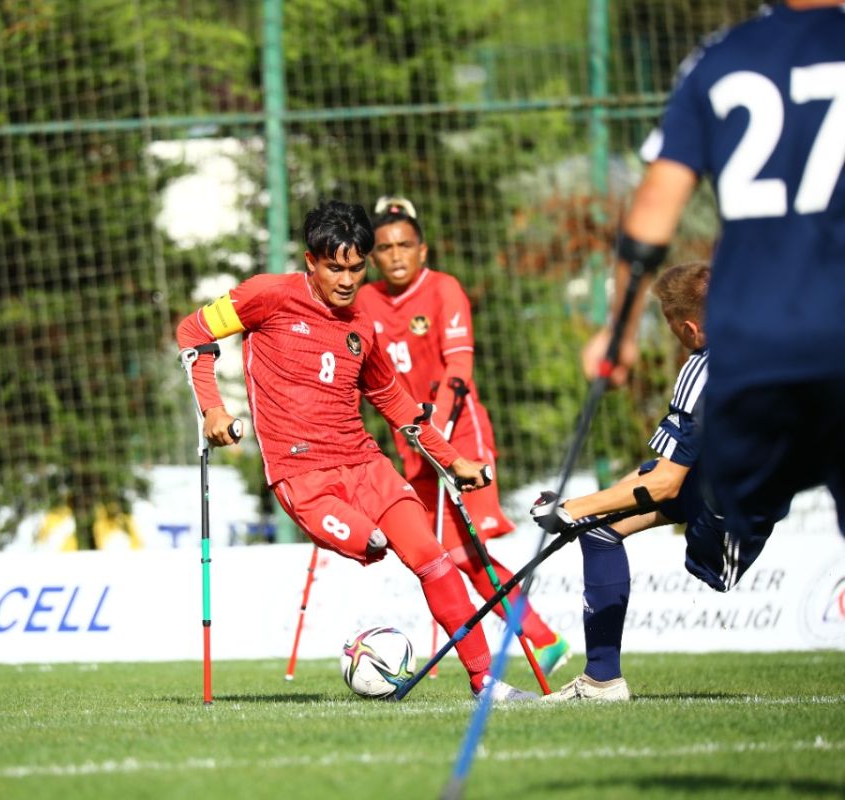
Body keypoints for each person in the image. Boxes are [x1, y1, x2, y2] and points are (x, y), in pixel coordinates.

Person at [176, 199, 535, 701]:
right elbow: (193, 331)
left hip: (366, 463)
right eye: (334, 267)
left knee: (434, 558)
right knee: (374, 543)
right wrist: (212, 409)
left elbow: (396, 402)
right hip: (303, 478)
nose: (347, 280)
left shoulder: (363, 323)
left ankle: (486, 683)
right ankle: (369, 653)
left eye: (355, 267)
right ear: (310, 261)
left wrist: (453, 460)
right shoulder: (266, 295)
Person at [581, 1, 845, 561]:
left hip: (757, 345)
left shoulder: (720, 59)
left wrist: (619, 330)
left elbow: (653, 212)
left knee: (721, 508)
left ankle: (717, 533)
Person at [355, 196, 570, 675]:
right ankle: (542, 638)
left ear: (423, 250)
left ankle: (540, 637)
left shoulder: (445, 289)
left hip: (460, 435)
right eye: (385, 247)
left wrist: (439, 423)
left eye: (404, 245)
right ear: (372, 257)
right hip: (412, 444)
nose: (395, 255)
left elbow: (460, 364)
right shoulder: (364, 301)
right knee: (443, 554)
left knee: (466, 551)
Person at [539, 262, 771, 701]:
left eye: (669, 326)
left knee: (600, 517)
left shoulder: (704, 367)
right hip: (735, 490)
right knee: (603, 530)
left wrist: (570, 511)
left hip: (727, 515)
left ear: (689, 328)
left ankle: (602, 678)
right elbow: (660, 470)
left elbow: (664, 484)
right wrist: (586, 510)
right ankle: (602, 680)